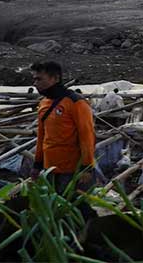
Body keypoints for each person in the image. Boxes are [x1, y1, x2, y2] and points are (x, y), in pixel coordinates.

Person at [30, 61, 96, 193]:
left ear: (55, 78)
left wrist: (87, 168)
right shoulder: (44, 104)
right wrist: (37, 164)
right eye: (34, 79)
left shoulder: (76, 102)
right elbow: (42, 137)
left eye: (39, 79)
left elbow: (87, 136)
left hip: (72, 171)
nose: (35, 83)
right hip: (50, 169)